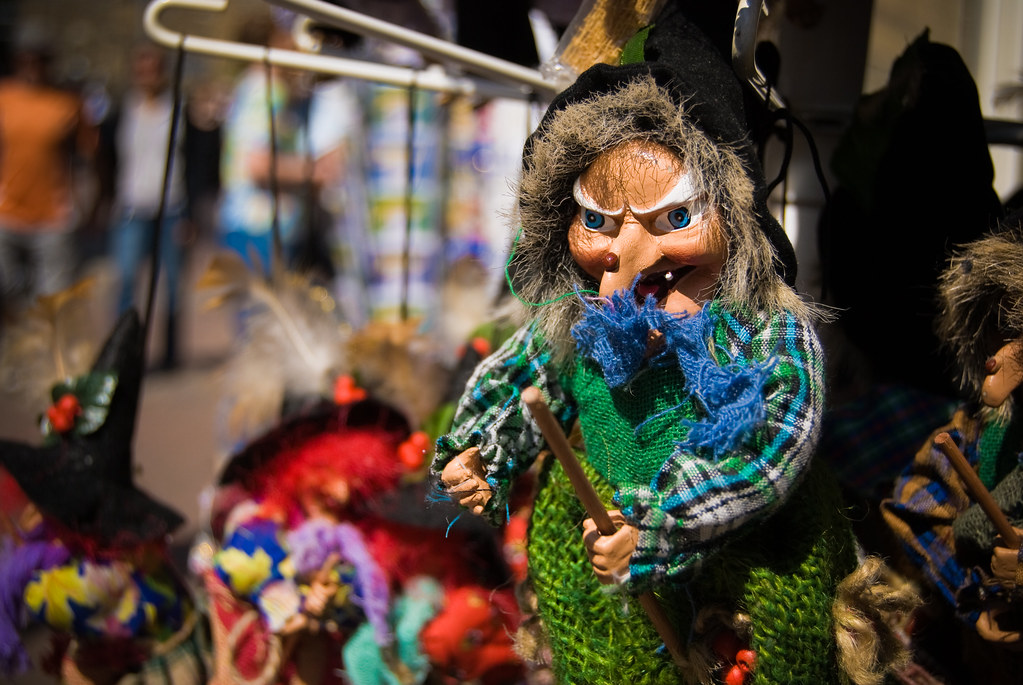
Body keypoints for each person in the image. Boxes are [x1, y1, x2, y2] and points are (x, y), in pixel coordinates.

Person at [433, 3, 915, 684]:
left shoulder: (764, 330)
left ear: (735, 215)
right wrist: (481, 452)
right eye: (598, 222)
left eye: (677, 216)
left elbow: (771, 441)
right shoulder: (575, 324)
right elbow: (516, 381)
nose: (630, 253)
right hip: (595, 558)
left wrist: (660, 524)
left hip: (744, 571)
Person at [882, 214, 1023, 684]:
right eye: (999, 328)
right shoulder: (979, 430)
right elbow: (914, 504)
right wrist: (977, 592)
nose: (1000, 354)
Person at [103, 42, 188, 369]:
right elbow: (106, 160)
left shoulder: (178, 110)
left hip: (172, 208)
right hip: (131, 209)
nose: (148, 76)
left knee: (173, 283)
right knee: (126, 280)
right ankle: (122, 353)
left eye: (154, 69)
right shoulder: (120, 113)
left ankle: (171, 355)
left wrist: (192, 213)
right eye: (142, 69)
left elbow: (193, 160)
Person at [0, 24, 94, 316]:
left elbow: (88, 156)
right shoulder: (4, 97)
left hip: (53, 217)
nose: (32, 67)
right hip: (7, 213)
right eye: (26, 59)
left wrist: (86, 204)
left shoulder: (67, 103)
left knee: (50, 307)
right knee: (8, 298)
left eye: (39, 59)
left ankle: (43, 346)